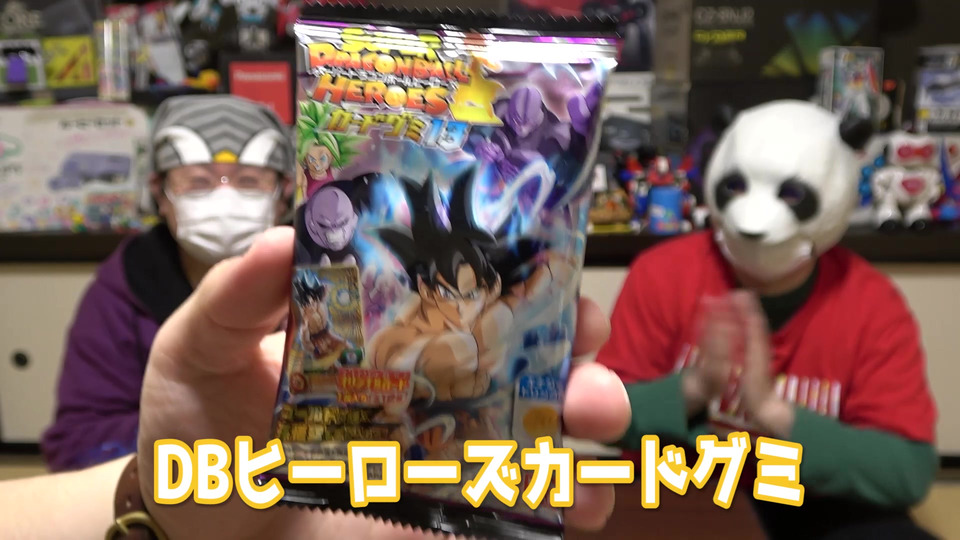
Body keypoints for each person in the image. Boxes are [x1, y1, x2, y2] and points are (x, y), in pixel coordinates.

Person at [1, 226, 630, 539]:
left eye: (476, 291)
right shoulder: (396, 333)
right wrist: (163, 499)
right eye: (452, 291)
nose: (465, 303)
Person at [596, 101, 939, 539]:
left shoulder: (872, 303)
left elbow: (906, 472)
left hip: (814, 502)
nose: (755, 219)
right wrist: (696, 387)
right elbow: (602, 416)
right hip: (684, 495)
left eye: (791, 195)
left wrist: (773, 413)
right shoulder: (663, 273)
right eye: (737, 187)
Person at [41, 95, 295, 472]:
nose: (224, 196)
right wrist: (197, 433)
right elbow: (76, 445)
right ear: (160, 193)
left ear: (283, 194)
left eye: (248, 181)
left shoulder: (321, 281)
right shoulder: (123, 290)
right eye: (198, 182)